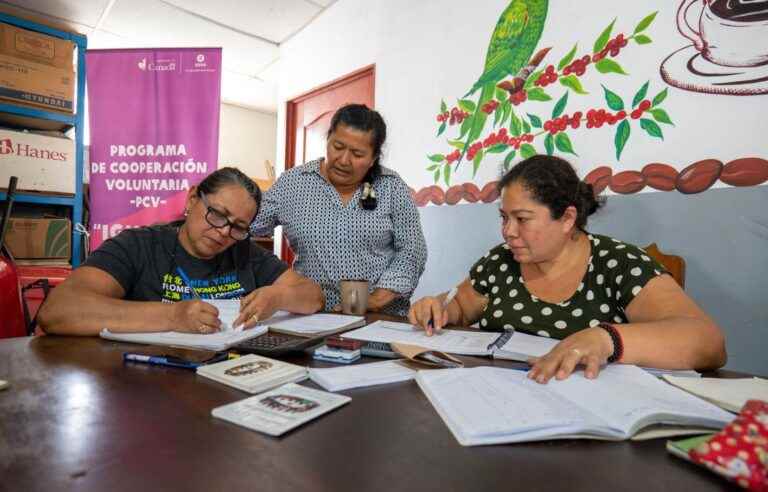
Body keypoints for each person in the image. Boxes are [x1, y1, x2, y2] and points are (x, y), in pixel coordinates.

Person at [408, 155, 726, 383]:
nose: (508, 232)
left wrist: (606, 340)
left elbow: (707, 342)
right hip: (500, 400)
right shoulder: (501, 261)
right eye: (504, 217)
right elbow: (461, 305)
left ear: (568, 219)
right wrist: (439, 308)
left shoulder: (617, 264)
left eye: (522, 219)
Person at [38, 167, 324, 336]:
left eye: (238, 226)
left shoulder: (245, 252)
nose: (224, 232)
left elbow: (313, 296)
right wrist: (172, 317)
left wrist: (277, 295)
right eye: (217, 214)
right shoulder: (138, 246)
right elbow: (58, 310)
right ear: (192, 199)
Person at [251, 104, 427, 316]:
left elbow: (412, 250)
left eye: (357, 154)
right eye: (338, 146)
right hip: (311, 318)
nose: (344, 160)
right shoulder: (293, 183)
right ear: (328, 140)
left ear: (373, 158)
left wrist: (374, 300)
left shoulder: (390, 186)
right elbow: (244, 225)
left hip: (378, 319)